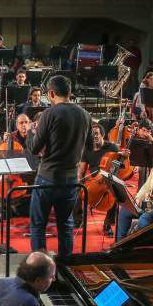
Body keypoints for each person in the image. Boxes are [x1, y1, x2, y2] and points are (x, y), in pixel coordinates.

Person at [26, 75, 92, 256]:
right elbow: (91, 148)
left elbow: (34, 148)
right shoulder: (85, 115)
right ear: (70, 92)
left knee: (38, 225)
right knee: (66, 224)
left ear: (51, 93)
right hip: (71, 179)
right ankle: (65, 268)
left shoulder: (49, 113)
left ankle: (39, 269)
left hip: (47, 177)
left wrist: (32, 132)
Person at [76, 122, 125, 236]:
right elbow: (82, 171)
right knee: (76, 188)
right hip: (94, 179)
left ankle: (108, 224)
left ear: (102, 135)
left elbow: (120, 165)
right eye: (92, 135)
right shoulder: (87, 149)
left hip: (108, 177)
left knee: (116, 194)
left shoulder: (112, 147)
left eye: (97, 134)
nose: (95, 136)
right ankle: (78, 219)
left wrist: (124, 157)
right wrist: (78, 180)